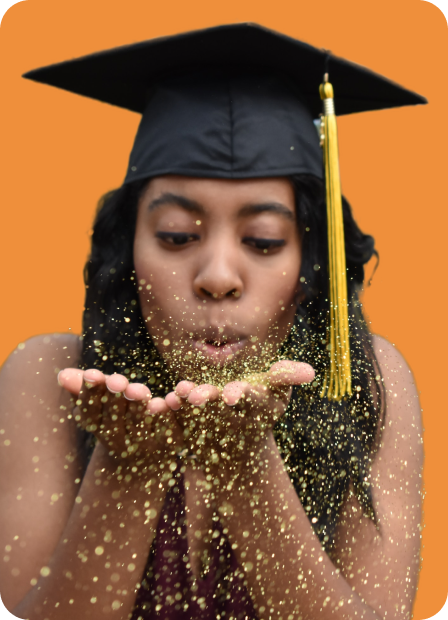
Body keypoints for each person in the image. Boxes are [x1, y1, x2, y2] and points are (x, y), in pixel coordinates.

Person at [0, 23, 424, 620]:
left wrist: (247, 466)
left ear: (311, 264)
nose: (218, 275)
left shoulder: (365, 382)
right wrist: (128, 470)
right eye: (176, 235)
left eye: (264, 240)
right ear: (128, 255)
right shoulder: (50, 379)